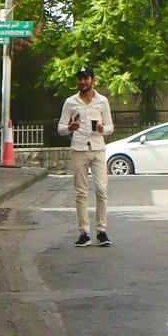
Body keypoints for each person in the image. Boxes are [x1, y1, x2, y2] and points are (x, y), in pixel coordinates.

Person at [58, 66, 114, 247]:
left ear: (92, 80)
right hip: (79, 149)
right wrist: (70, 127)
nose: (83, 81)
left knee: (101, 189)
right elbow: (60, 127)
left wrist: (102, 129)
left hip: (97, 148)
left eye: (86, 78)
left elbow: (110, 127)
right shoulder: (70, 102)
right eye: (80, 78)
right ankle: (84, 233)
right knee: (81, 192)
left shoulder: (102, 101)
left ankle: (101, 231)